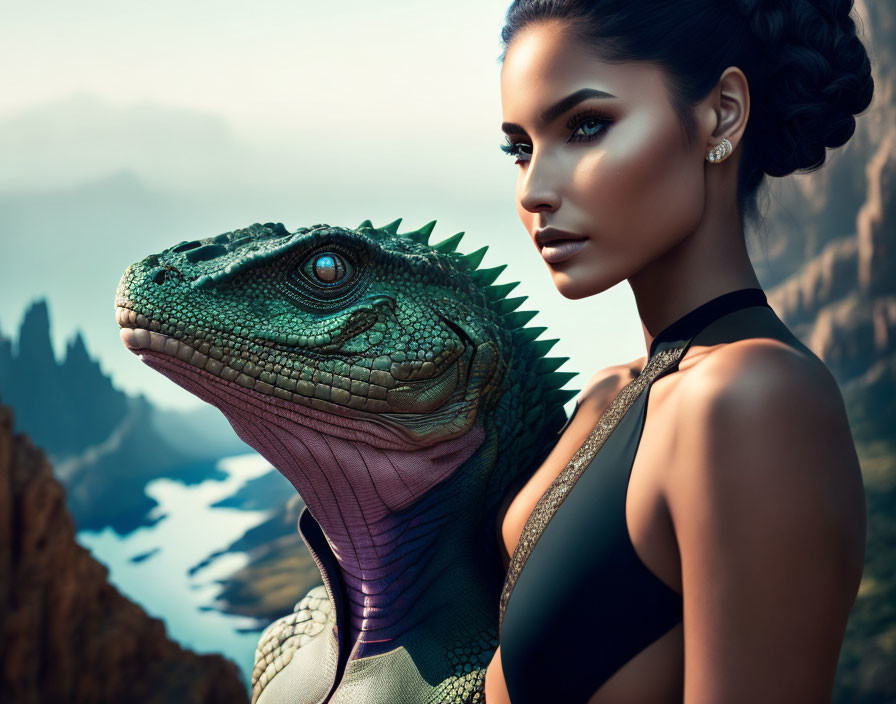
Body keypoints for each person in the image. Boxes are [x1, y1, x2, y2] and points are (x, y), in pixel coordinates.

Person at [483, 1, 875, 702]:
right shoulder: (612, 395)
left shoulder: (753, 401)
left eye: (586, 127)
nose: (535, 190)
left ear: (721, 114)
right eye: (521, 148)